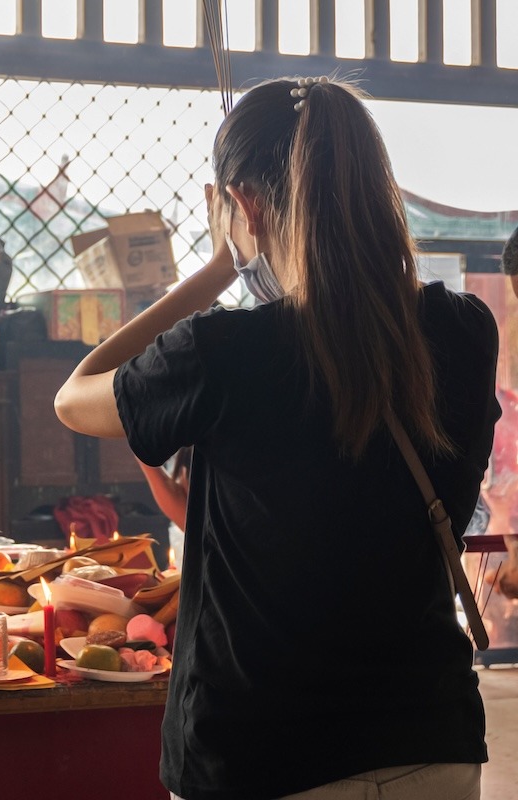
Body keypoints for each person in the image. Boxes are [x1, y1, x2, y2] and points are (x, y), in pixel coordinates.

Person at [54, 76, 498, 800]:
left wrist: (216, 268)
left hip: (263, 755)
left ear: (245, 205)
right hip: (431, 744)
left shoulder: (225, 352)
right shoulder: (464, 331)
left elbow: (74, 397)